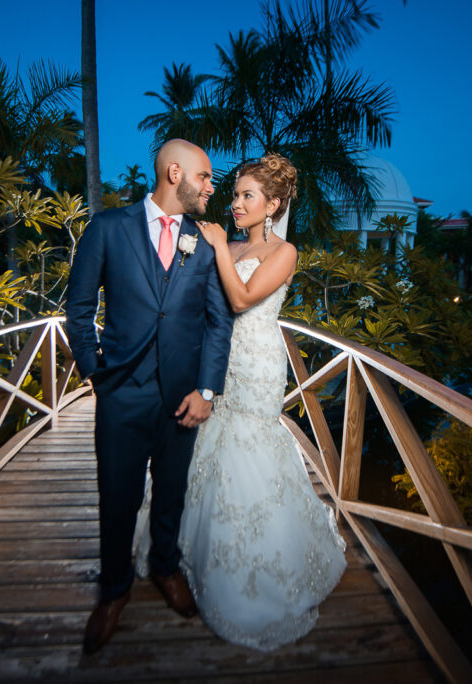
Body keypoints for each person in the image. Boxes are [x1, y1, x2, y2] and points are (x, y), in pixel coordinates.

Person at [163, 152, 347, 651]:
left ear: (274, 205)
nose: (236, 202)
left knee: (250, 446)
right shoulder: (231, 241)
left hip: (258, 364)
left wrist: (220, 245)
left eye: (247, 195)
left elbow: (243, 299)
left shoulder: (283, 252)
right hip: (217, 360)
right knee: (210, 446)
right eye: (236, 193)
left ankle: (256, 571)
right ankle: (194, 549)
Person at [66, 139, 235, 655]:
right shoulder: (107, 229)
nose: (211, 186)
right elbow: (76, 311)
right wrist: (100, 374)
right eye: (205, 177)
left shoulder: (204, 242)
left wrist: (207, 389)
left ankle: (166, 569)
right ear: (175, 172)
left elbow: (217, 322)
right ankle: (114, 591)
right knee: (117, 499)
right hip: (122, 396)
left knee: (172, 494)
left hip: (183, 398)